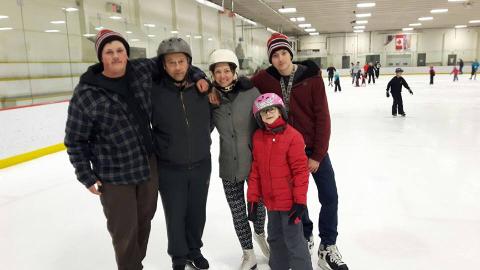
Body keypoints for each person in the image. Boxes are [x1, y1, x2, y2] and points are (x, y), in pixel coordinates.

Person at [250, 33, 349, 270]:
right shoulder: (265, 79)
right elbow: (242, 83)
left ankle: (328, 247)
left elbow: (322, 117)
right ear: (270, 59)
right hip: (284, 151)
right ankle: (304, 236)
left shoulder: (311, 79)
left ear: (290, 54)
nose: (280, 58)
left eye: (284, 53)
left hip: (314, 149)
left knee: (329, 196)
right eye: (275, 55)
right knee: (297, 197)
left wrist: (316, 155)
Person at [64, 30, 159, 270]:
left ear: (127, 53)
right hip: (114, 174)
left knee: (144, 221)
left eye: (119, 50)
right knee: (124, 230)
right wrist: (86, 175)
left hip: (147, 165)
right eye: (109, 52)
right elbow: (75, 140)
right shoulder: (86, 94)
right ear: (101, 57)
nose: (116, 56)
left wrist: (198, 74)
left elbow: (174, 60)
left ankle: (135, 265)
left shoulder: (141, 71)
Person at [151, 37, 212, 270]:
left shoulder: (201, 88)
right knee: (175, 214)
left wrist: (199, 139)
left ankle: (194, 250)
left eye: (181, 61)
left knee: (197, 211)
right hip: (169, 165)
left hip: (200, 163)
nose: (177, 67)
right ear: (163, 66)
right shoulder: (154, 90)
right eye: (171, 62)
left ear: (189, 62)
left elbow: (211, 119)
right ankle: (178, 255)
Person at [208, 49, 269, 270]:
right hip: (228, 165)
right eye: (218, 71)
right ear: (213, 74)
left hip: (254, 163)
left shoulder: (251, 92)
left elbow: (266, 123)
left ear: (234, 72)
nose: (223, 75)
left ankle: (261, 234)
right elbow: (204, 128)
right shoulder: (211, 99)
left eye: (227, 70)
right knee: (237, 211)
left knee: (259, 207)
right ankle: (248, 253)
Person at [247, 93, 312, 270]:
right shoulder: (258, 137)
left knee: (294, 240)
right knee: (274, 238)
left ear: (280, 110)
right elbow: (256, 171)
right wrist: (252, 198)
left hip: (290, 204)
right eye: (263, 112)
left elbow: (300, 172)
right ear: (259, 117)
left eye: (271, 109)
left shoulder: (293, 136)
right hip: (271, 203)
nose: (268, 113)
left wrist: (300, 201)